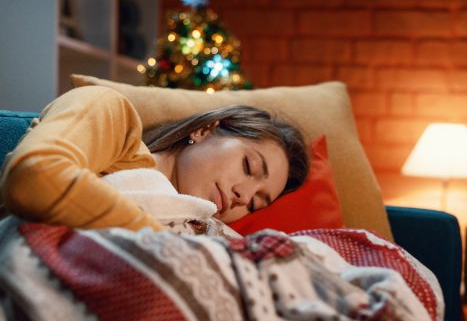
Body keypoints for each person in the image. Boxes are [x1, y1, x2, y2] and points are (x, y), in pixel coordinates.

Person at [0, 86, 309, 231]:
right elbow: (35, 177)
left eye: (257, 203)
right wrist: (163, 242)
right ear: (205, 130)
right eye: (248, 166)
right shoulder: (111, 114)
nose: (244, 196)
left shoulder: (207, 232)